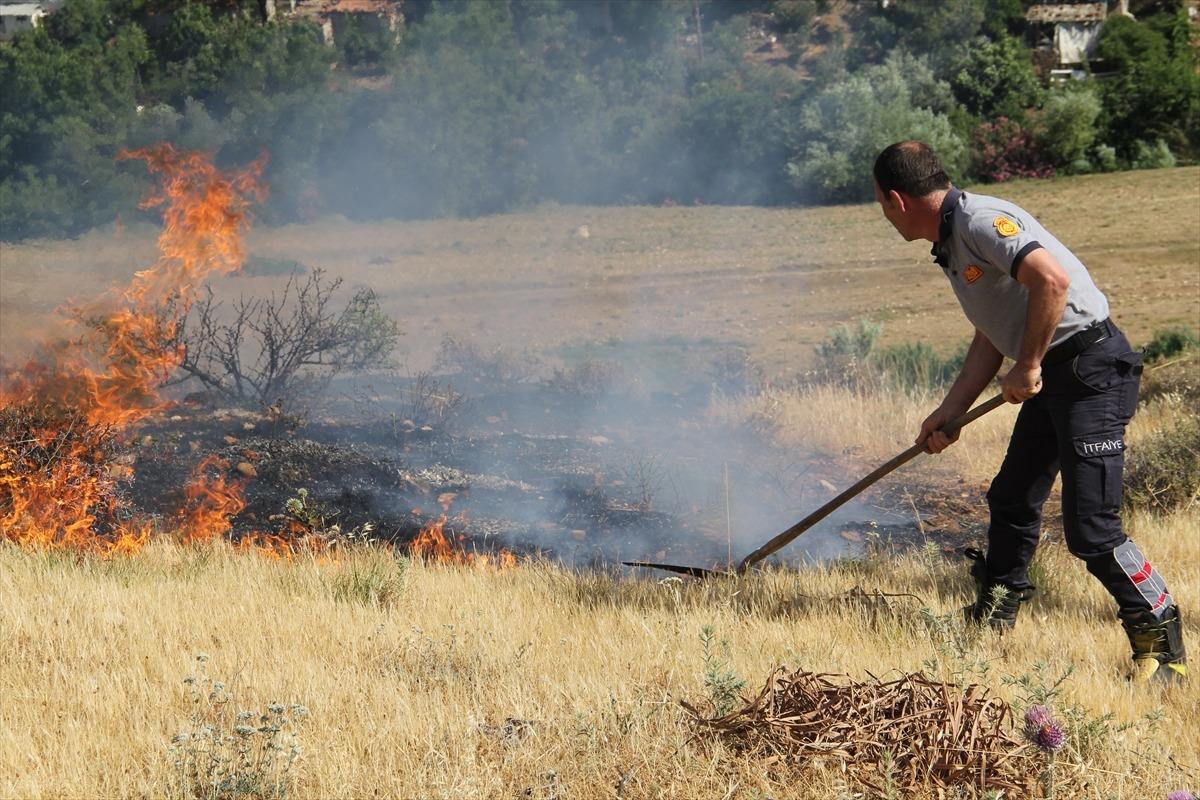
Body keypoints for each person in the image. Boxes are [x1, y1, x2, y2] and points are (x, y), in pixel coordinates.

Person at [871, 140, 1186, 683]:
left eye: (879, 204)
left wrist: (1030, 363)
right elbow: (991, 337)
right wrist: (949, 411)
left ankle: (1163, 641)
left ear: (896, 199)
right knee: (1013, 497)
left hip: (1090, 370)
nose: (883, 215)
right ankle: (996, 613)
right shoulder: (953, 242)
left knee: (1092, 527)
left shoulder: (981, 222)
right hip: (1054, 376)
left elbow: (1052, 280)